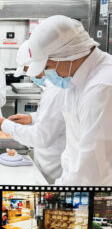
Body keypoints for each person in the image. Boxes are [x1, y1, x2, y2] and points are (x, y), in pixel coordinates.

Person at [15, 15, 112, 186]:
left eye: (48, 67)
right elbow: (72, 148)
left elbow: (92, 171)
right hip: (75, 187)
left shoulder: (101, 88)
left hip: (95, 194)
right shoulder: (76, 80)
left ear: (67, 56)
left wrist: (62, 195)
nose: (45, 75)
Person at [0, 42, 66, 184]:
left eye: (28, 70)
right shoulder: (51, 86)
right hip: (46, 161)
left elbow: (40, 137)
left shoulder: (57, 90)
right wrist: (31, 118)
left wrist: (5, 125)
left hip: (54, 166)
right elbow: (55, 117)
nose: (29, 74)